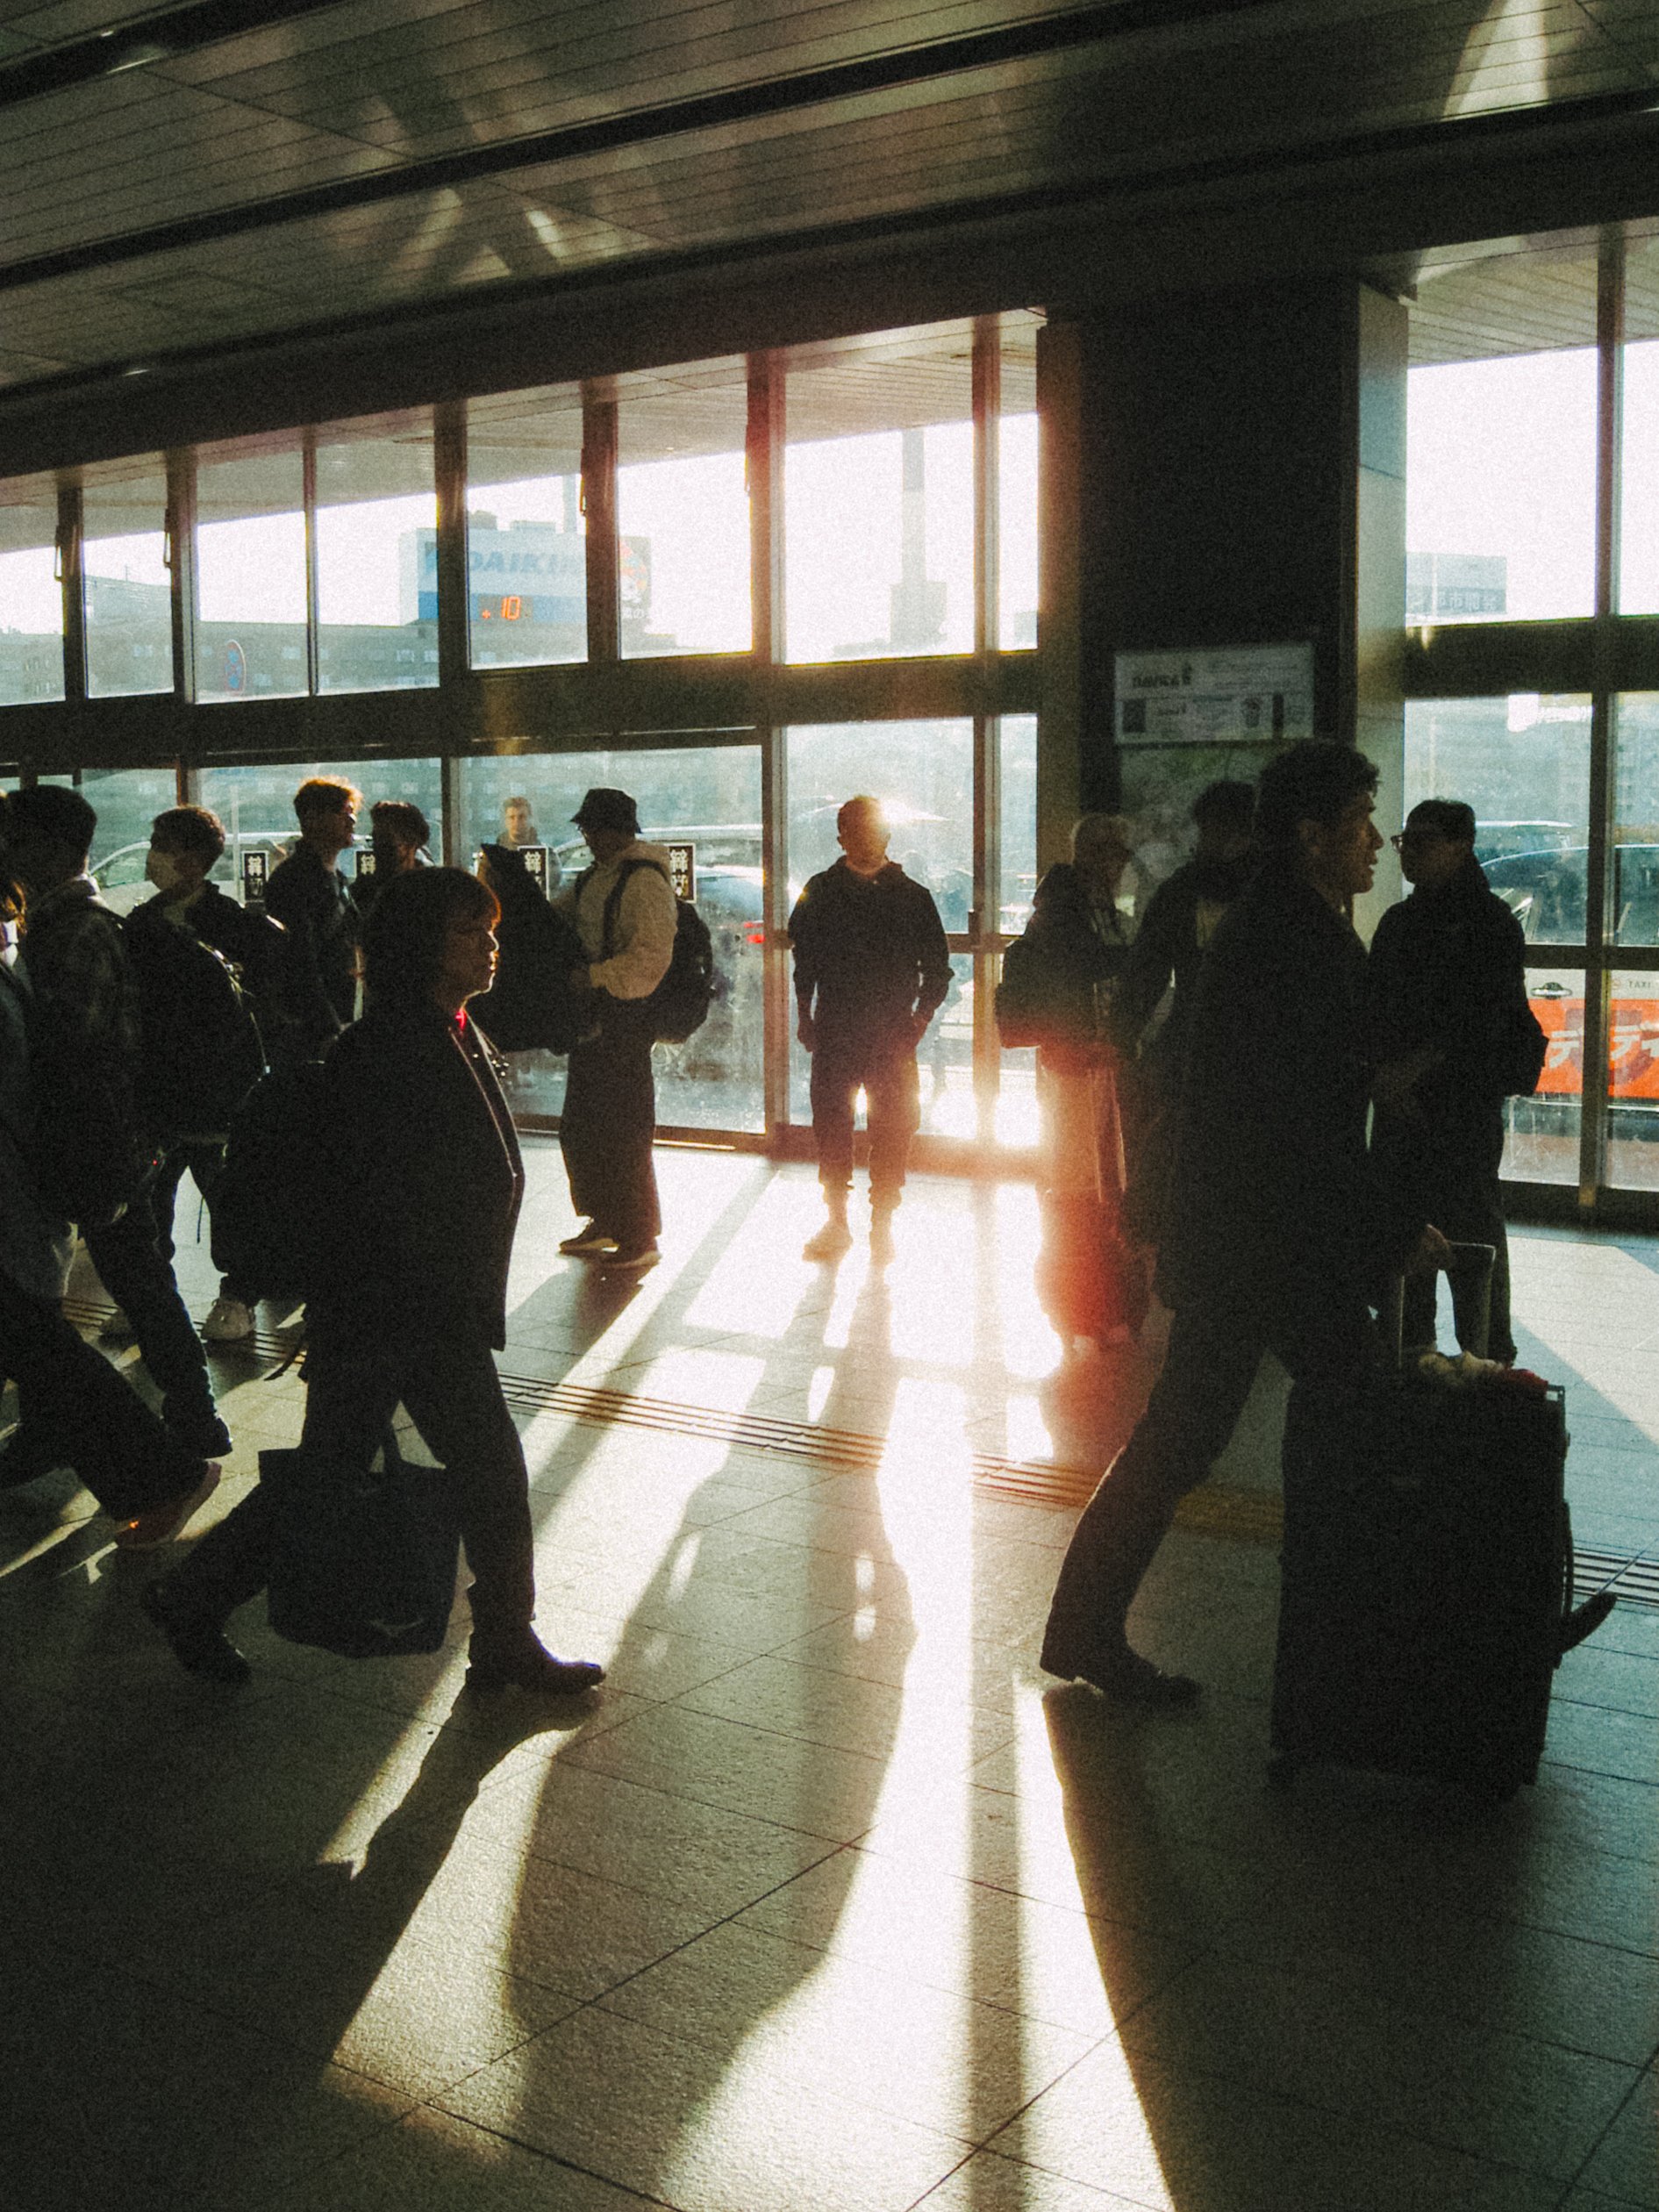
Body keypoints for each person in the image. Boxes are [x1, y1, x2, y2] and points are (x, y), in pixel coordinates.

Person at [1040, 741, 1449, 1706]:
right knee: (1331, 1427)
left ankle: (1087, 1626)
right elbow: (1302, 1122)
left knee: (1194, 1439)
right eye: (1357, 824)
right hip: (1266, 1248)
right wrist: (1391, 1227)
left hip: (1251, 1244)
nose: (1374, 843)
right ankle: (1430, 1636)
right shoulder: (1292, 939)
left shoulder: (1283, 925)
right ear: (1311, 836)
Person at [141, 867, 606, 1696]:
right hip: (399, 1312)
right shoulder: (387, 1046)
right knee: (469, 1472)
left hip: (418, 1309)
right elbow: (371, 1195)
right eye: (474, 931)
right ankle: (502, 1633)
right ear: (423, 946)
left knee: (349, 1474)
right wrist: (372, 1312)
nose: (490, 946)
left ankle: (193, 1596)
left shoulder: (449, 1026)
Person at [0, 796, 221, 1543]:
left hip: (80, 1153)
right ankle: (132, 1448)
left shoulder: (76, 932)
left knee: (83, 1307)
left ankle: (182, 1444)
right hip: (75, 1152)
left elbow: (66, 1059)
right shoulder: (54, 928)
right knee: (48, 1319)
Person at [1367, 798, 1547, 1366]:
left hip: (1452, 1106)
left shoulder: (1484, 923)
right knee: (1443, 1229)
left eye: (1422, 841)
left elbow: (1475, 1020)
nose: (1407, 852)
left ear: (1459, 844)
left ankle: (1465, 1353)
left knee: (1458, 1230)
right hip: (1440, 1105)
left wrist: (1397, 1080)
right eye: (1404, 841)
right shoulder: (1411, 919)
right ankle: (1451, 1352)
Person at [125, 805, 279, 1345]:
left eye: (161, 844)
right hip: (158, 1092)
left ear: (192, 858)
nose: (153, 856)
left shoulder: (236, 926)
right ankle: (150, 1294)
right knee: (152, 1198)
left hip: (221, 1092)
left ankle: (239, 1294)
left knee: (229, 1196)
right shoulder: (139, 926)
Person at [998, 813, 1143, 1345]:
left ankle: (1088, 1305)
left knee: (1085, 1183)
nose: (1123, 866)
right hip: (1076, 1063)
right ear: (1096, 856)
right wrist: (1141, 957)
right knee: (1082, 1185)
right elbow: (1082, 968)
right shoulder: (1070, 912)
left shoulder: (1069, 906)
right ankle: (1087, 1304)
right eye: (1118, 855)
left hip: (1080, 1062)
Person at [788, 795, 952, 1261]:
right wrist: (805, 1015)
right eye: (858, 833)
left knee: (893, 1127)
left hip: (890, 1033)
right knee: (832, 1125)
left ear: (886, 837)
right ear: (842, 837)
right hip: (839, 1029)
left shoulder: (911, 896)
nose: (868, 841)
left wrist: (917, 1023)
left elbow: (937, 971)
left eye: (874, 832)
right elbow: (806, 963)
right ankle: (838, 1219)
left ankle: (881, 1221)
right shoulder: (820, 891)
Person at [1113, 778, 1256, 1242]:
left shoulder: (1184, 889)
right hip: (1249, 1059)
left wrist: (1123, 1034)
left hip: (1191, 1052)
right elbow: (1147, 971)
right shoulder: (1274, 893)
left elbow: (1146, 972)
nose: (1209, 841)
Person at [554, 787, 677, 1273]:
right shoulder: (598, 878)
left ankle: (639, 1231)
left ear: (615, 830)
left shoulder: (643, 882)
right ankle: (605, 1218)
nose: (587, 838)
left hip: (626, 1018)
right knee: (584, 1125)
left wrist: (594, 977)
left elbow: (650, 958)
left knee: (625, 1129)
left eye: (592, 829)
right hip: (600, 1015)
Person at [262, 776, 361, 1068]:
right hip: (311, 1031)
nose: (352, 820)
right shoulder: (293, 881)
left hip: (337, 1017)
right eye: (343, 812)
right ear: (312, 818)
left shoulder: (336, 878)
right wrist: (328, 1027)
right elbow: (300, 962)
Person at [351, 798, 431, 920]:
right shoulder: (364, 888)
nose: (378, 848)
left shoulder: (429, 889)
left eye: (387, 840)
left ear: (411, 842)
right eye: (375, 840)